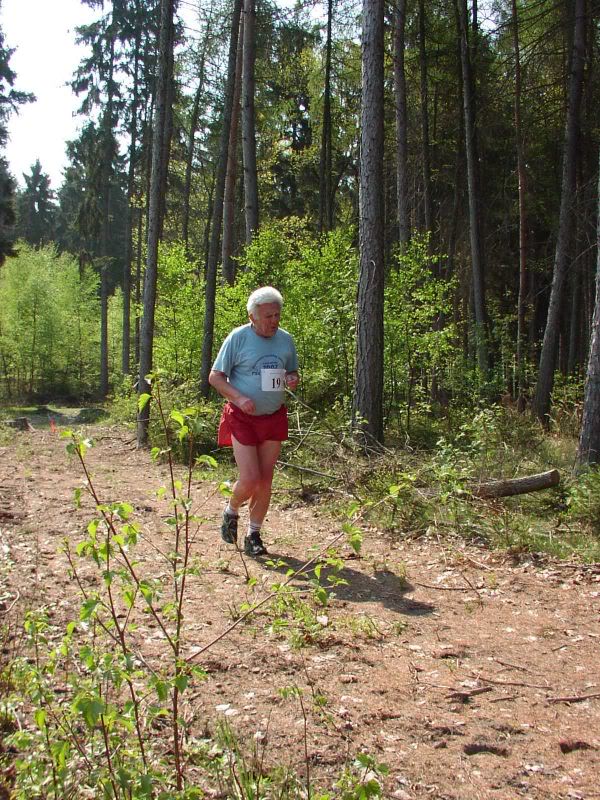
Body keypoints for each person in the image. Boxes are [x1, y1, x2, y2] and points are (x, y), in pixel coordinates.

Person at [209, 286, 299, 556]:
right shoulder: (238, 338)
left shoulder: (286, 340)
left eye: (277, 315)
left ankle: (254, 535)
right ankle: (231, 510)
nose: (274, 321)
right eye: (268, 316)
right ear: (252, 316)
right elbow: (215, 377)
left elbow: (292, 371)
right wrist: (238, 398)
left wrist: (292, 379)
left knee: (265, 480)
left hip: (273, 416)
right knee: (250, 479)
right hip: (242, 417)